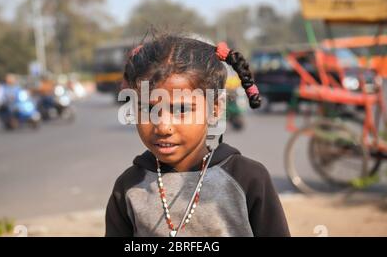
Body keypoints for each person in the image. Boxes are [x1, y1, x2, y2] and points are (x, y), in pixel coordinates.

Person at [105, 35, 290, 237]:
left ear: (215, 108)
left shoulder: (248, 178)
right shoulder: (129, 187)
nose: (163, 126)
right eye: (148, 108)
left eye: (181, 108)